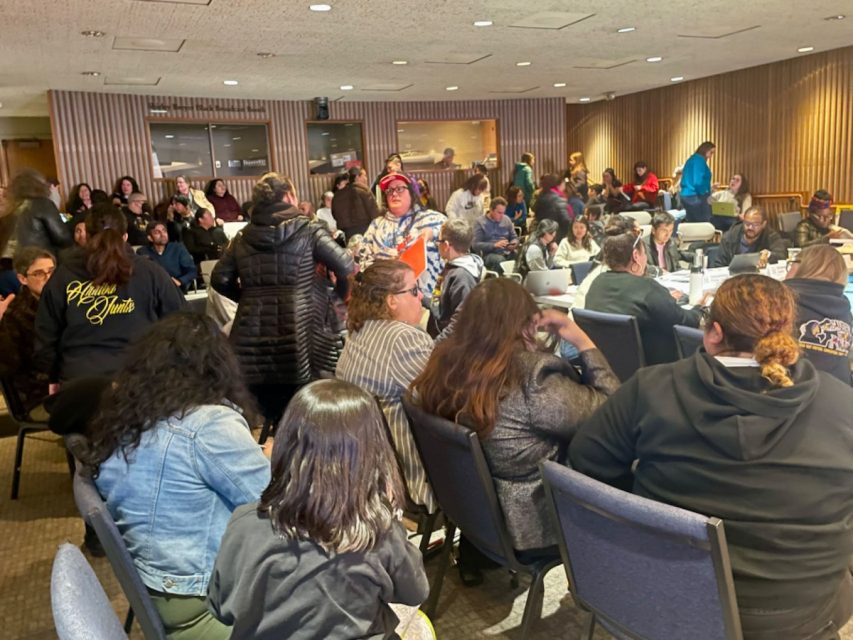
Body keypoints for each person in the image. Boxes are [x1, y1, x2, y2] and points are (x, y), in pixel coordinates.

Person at [570, 274, 853, 639]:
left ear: (714, 332)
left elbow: (588, 462)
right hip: (799, 615)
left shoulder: (651, 388)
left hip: (672, 599)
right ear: (788, 336)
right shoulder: (844, 405)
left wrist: (648, 504)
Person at [85, 312, 271, 640]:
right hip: (209, 605)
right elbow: (276, 502)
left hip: (160, 590)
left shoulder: (126, 422)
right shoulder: (207, 425)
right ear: (217, 366)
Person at [208, 379, 428, 640]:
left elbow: (220, 607)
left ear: (285, 445)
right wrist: (391, 515)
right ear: (373, 454)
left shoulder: (243, 523)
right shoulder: (378, 533)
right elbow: (415, 593)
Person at [411, 278, 619, 554]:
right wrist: (580, 339)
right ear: (525, 323)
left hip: (475, 515)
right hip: (535, 521)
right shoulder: (532, 376)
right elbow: (611, 411)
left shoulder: (445, 366)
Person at [211, 172, 354, 424]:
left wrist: (248, 298)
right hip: (305, 343)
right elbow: (345, 265)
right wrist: (337, 297)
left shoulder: (242, 237)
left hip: (251, 351)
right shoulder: (309, 230)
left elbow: (219, 279)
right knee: (307, 416)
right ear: (289, 195)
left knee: (270, 419)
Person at [34, 207, 185, 383]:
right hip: (143, 381)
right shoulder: (151, 272)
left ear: (87, 237)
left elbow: (45, 340)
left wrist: (54, 377)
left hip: (81, 383)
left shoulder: (61, 276)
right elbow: (182, 324)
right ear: (125, 236)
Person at [336, 260, 436, 511]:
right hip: (408, 476)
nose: (421, 296)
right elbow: (445, 401)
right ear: (391, 301)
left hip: (366, 470)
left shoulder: (357, 332)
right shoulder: (405, 339)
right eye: (414, 290)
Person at [585, 228, 702, 364]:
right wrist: (699, 309)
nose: (646, 258)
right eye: (644, 253)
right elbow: (685, 320)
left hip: (606, 368)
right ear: (636, 255)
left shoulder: (597, 283)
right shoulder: (647, 287)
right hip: (654, 371)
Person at [362, 172, 445, 299]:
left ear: (412, 192)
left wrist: (431, 233)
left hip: (428, 299)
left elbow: (455, 241)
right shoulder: (376, 225)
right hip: (386, 298)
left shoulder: (432, 219)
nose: (394, 194)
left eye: (400, 189)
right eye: (389, 190)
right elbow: (363, 260)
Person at [785, 245, 852, 385]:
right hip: (840, 394)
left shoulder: (781, 301)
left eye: (792, 263)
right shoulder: (845, 310)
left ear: (801, 266)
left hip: (790, 393)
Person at [0, 247, 54, 421]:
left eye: (51, 271)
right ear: (23, 279)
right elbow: (10, 367)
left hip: (67, 382)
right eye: (39, 273)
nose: (48, 278)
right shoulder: (16, 316)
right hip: (39, 395)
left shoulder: (63, 302)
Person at [430, 218, 483, 334]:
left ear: (446, 245)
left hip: (445, 344)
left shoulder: (462, 277)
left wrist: (434, 347)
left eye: (438, 241)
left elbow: (461, 323)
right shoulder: (452, 266)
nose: (437, 245)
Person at [2, 169, 72, 257]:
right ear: (38, 185)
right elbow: (63, 238)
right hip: (35, 262)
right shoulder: (42, 203)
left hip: (7, 263)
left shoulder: (8, 209)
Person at [713, 206, 787, 268]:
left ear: (764, 224)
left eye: (755, 224)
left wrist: (769, 255)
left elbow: (781, 255)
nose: (750, 228)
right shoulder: (730, 236)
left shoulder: (770, 235)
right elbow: (719, 264)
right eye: (747, 223)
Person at [137, 221, 198, 291]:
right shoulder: (142, 252)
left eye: (164, 231)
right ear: (150, 238)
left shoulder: (178, 248)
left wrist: (180, 281)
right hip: (153, 291)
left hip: (177, 290)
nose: (163, 234)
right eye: (157, 232)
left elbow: (192, 271)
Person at [332, 166, 380, 239]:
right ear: (357, 177)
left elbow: (335, 215)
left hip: (346, 234)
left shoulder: (337, 195)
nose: (366, 179)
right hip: (366, 231)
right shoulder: (363, 190)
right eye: (365, 175)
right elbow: (374, 213)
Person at [472, 197, 518, 273]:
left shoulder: (506, 219)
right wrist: (494, 245)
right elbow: (475, 245)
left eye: (503, 212)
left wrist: (513, 244)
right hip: (489, 254)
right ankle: (502, 282)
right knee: (500, 261)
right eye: (499, 213)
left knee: (519, 256)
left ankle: (514, 281)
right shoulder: (480, 222)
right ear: (491, 210)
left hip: (506, 251)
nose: (502, 215)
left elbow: (514, 237)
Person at [680, 141, 716, 222]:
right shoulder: (699, 160)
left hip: (686, 195)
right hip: (695, 196)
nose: (711, 156)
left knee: (692, 224)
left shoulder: (692, 159)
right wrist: (705, 192)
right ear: (706, 150)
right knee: (703, 224)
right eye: (711, 152)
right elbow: (697, 182)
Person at [534, 174, 571, 242]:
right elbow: (566, 221)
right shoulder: (558, 199)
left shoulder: (540, 197)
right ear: (559, 185)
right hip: (557, 236)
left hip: (542, 235)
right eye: (563, 184)